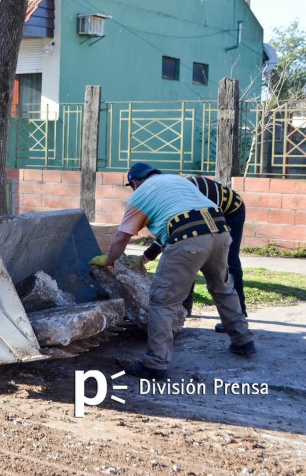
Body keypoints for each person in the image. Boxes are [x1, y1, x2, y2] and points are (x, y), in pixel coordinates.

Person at [91, 162, 255, 380]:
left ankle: (155, 364)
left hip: (188, 238)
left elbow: (122, 236)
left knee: (163, 300)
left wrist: (110, 260)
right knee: (222, 288)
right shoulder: (178, 181)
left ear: (135, 182)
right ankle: (243, 340)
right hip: (220, 230)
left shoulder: (139, 195)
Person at [142, 175, 247, 332]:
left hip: (230, 211)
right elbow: (171, 232)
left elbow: (192, 231)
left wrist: (148, 255)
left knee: (228, 260)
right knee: (190, 254)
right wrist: (147, 256)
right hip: (207, 215)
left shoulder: (190, 193)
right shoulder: (172, 197)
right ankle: (185, 308)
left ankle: (238, 314)